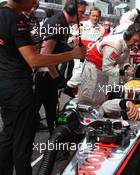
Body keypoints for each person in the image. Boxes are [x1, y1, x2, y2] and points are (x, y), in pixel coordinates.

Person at [0, 0, 85, 174]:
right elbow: (35, 59)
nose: (36, 2)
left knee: (8, 135)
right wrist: (72, 54)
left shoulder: (3, 14)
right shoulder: (18, 20)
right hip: (19, 87)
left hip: (5, 84)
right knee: (22, 142)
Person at [34, 0, 88, 135]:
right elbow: (45, 55)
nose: (82, 16)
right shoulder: (56, 23)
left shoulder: (64, 24)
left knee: (53, 114)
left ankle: (56, 146)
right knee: (31, 117)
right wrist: (57, 78)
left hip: (49, 75)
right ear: (70, 9)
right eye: (81, 12)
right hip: (42, 76)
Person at [77, 23, 140, 107]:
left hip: (101, 70)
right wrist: (125, 73)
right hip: (92, 68)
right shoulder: (115, 45)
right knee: (86, 100)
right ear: (128, 35)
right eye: (135, 40)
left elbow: (123, 62)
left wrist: (128, 68)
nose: (136, 44)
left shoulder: (127, 44)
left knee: (99, 101)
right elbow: (107, 69)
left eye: (138, 42)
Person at [64, 7, 105, 97]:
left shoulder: (102, 29)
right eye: (93, 15)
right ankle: (69, 89)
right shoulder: (81, 25)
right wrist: (74, 44)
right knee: (79, 74)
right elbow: (70, 39)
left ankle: (82, 98)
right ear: (89, 15)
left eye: (97, 16)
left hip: (93, 57)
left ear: (100, 17)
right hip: (80, 55)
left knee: (90, 80)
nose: (95, 18)